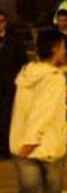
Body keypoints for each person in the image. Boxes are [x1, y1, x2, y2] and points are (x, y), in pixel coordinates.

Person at [9, 29, 67, 193]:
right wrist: (32, 140)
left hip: (20, 142)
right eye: (63, 47)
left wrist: (23, 141)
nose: (65, 51)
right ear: (55, 49)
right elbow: (44, 111)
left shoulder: (26, 73)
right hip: (47, 145)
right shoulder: (54, 77)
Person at [0, 9, 25, 159]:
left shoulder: (15, 40)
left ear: (6, 22)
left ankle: (7, 148)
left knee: (9, 117)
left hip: (10, 85)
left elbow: (23, 63)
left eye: (1, 21)